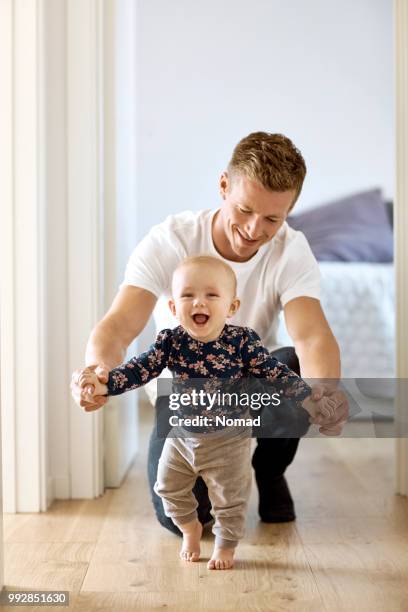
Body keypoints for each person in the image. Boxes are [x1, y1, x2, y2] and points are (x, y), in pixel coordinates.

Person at [71, 131, 348, 531]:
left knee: (294, 367)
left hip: (250, 382)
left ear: (290, 209)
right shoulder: (171, 240)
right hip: (183, 393)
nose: (255, 229)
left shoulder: (291, 249)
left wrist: (326, 394)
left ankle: (269, 472)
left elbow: (311, 336)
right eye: (245, 209)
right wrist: (96, 372)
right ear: (223, 186)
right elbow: (119, 325)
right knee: (181, 519)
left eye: (273, 218)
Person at [78, 256, 337, 570]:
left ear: (231, 306)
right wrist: (103, 384)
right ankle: (191, 529)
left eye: (211, 295)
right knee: (167, 488)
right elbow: (137, 370)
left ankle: (226, 545)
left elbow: (274, 373)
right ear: (174, 308)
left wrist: (310, 398)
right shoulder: (169, 342)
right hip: (182, 436)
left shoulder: (242, 342)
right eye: (187, 295)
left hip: (229, 441)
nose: (198, 302)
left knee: (230, 501)